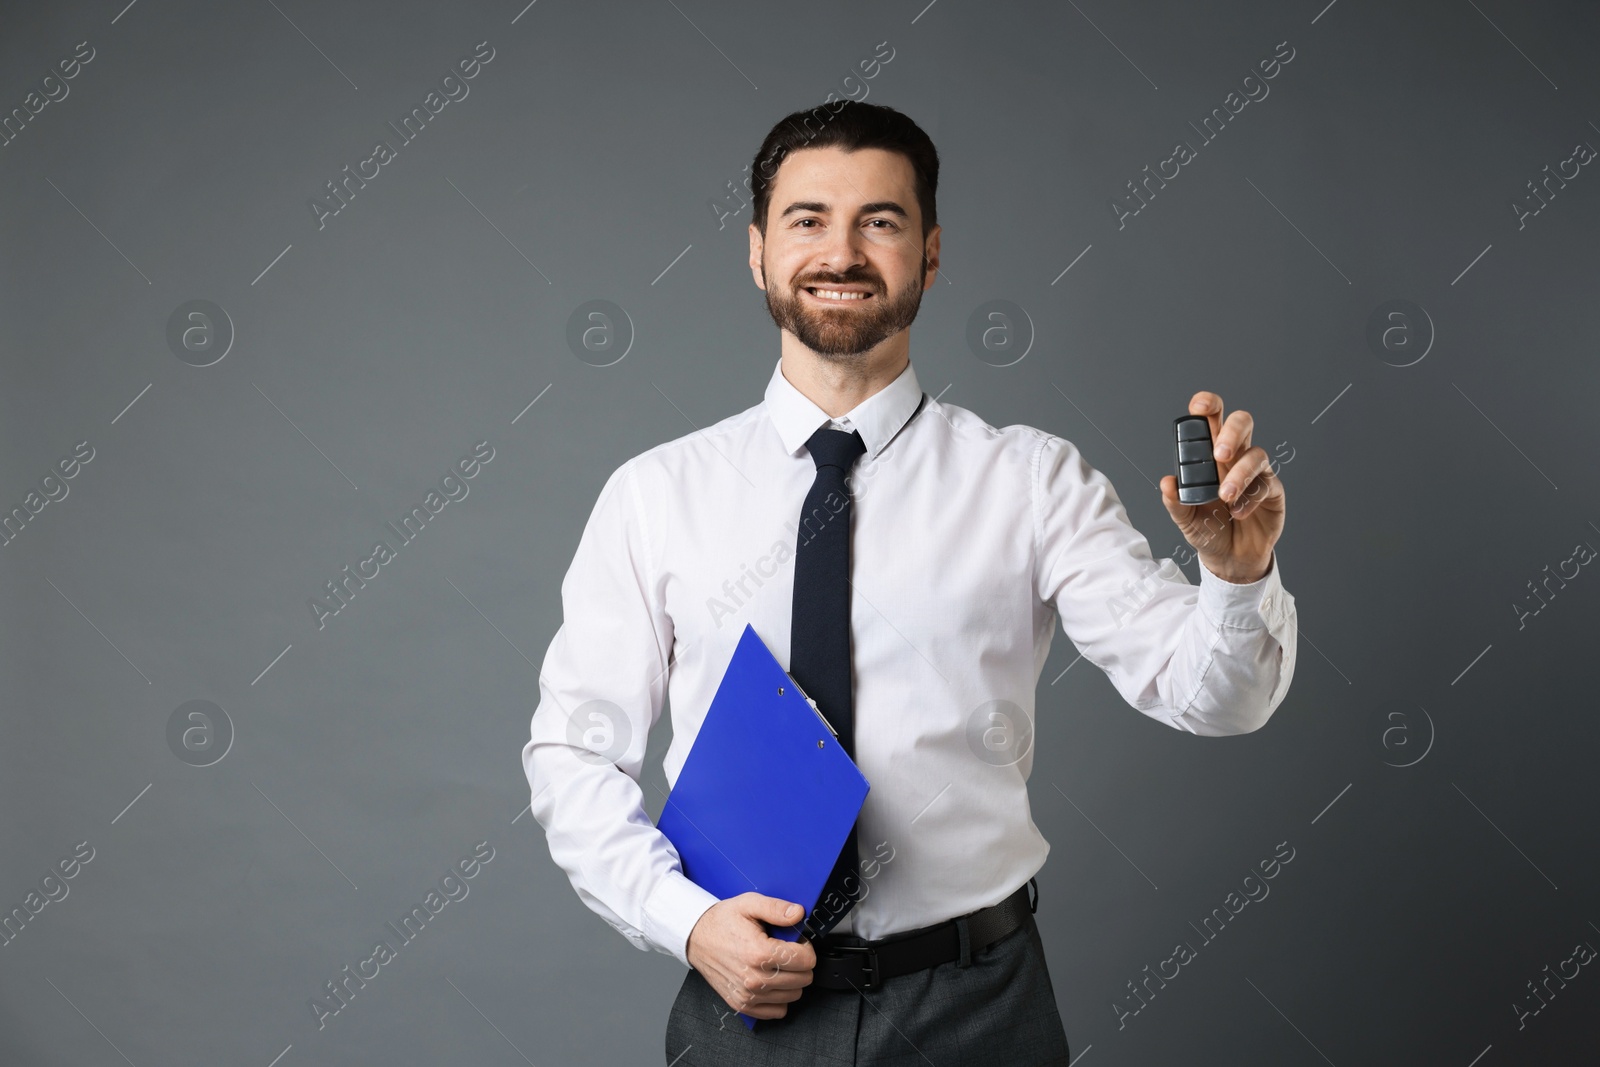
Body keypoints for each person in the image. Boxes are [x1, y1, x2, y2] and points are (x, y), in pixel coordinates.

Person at [522, 100, 1297, 1066]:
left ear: (930, 255)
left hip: (978, 1010)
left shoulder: (1030, 481)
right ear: (756, 251)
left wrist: (1234, 574)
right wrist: (683, 921)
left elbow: (1214, 699)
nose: (840, 252)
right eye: (808, 220)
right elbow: (573, 753)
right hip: (740, 1006)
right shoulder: (654, 495)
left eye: (879, 222)